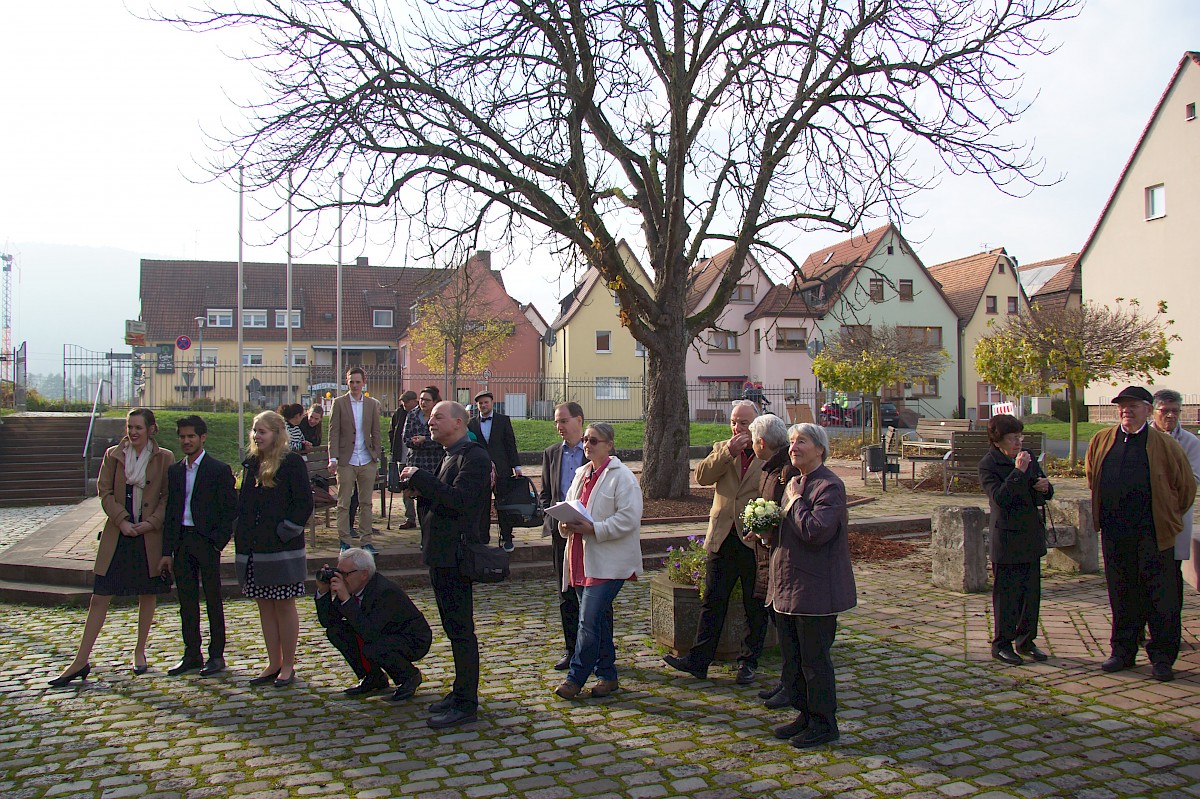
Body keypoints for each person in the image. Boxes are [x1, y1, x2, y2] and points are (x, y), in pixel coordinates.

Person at [50, 408, 174, 686]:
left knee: (147, 592)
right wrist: (122, 520)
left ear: (151, 429)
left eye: (138, 427)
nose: (133, 432)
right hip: (118, 534)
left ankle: (140, 650)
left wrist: (150, 523)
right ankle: (80, 660)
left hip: (147, 536)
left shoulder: (165, 457)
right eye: (130, 427)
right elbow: (104, 492)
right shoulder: (113, 455)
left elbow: (168, 497)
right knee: (100, 595)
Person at [1085, 385, 1196, 682]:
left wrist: (1167, 517)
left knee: (1160, 597)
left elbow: (1185, 488)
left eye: (1133, 406)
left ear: (1148, 410)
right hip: (1115, 532)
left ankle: (1161, 657)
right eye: (1122, 406)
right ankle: (1122, 652)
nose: (1126, 410)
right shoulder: (1102, 440)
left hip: (1153, 533)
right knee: (1122, 593)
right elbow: (1092, 475)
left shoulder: (1164, 444)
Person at [399, 400, 491, 729]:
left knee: (462, 631)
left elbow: (461, 502)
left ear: (458, 422)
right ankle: (460, 691)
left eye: (438, 416)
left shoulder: (475, 456)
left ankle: (467, 702)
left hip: (456, 556)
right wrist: (418, 491)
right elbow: (442, 500)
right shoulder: (449, 454)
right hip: (441, 554)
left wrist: (422, 479)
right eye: (430, 417)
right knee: (454, 631)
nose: (431, 421)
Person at [766, 422, 856, 749]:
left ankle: (824, 723)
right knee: (794, 659)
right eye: (791, 442)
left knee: (814, 662)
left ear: (820, 449)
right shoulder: (795, 481)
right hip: (789, 586)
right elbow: (790, 529)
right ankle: (803, 715)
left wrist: (793, 502)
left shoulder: (829, 486)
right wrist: (765, 531)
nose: (793, 447)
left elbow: (816, 531)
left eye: (801, 441)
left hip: (816, 590)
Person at [663, 399, 766, 683]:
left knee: (753, 603)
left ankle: (748, 661)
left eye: (743, 423)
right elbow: (702, 477)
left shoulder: (765, 453)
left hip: (752, 538)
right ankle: (699, 661)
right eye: (733, 422)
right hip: (722, 536)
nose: (737, 428)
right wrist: (727, 454)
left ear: (756, 425)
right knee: (712, 601)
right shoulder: (723, 447)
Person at [553, 422, 643, 700]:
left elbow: (629, 519)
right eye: (586, 440)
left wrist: (595, 529)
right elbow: (571, 507)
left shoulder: (623, 477)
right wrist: (565, 526)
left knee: (587, 621)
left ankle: (575, 678)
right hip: (581, 557)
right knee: (598, 621)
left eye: (594, 440)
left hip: (609, 561)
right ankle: (608, 675)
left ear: (609, 444)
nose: (587, 445)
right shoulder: (582, 474)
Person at [235, 410, 314, 688]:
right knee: (264, 606)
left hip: (280, 548)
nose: (257, 436)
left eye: (262, 431)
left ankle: (289, 664)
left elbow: (303, 503)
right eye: (255, 431)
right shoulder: (251, 463)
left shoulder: (291, 463)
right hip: (255, 549)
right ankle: (273, 661)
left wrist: (285, 531)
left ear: (276, 434)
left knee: (283, 605)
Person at [160, 415, 237, 677]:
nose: (186, 441)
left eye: (191, 436)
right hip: (182, 541)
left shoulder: (218, 469)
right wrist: (166, 551)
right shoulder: (175, 471)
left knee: (213, 598)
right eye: (182, 436)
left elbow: (230, 510)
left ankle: (217, 654)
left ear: (202, 437)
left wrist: (218, 542)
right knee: (186, 600)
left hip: (206, 541)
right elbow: (171, 511)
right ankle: (192, 652)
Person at [978, 413, 1053, 666]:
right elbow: (1000, 498)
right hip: (1007, 538)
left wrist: (1045, 485)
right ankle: (1002, 644)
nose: (1018, 442)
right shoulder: (989, 464)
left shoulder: (1028, 456)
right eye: (1012, 438)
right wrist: (1018, 472)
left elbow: (1045, 491)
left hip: (1030, 534)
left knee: (1031, 594)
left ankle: (1026, 640)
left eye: (1020, 436)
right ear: (998, 440)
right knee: (1007, 595)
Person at [315, 547, 432, 702]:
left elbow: (370, 633)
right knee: (336, 631)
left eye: (345, 574)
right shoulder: (352, 587)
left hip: (412, 639)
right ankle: (373, 677)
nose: (340, 578)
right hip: (382, 634)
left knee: (372, 647)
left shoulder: (384, 591)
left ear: (364, 574)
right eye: (338, 572)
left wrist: (347, 601)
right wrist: (323, 591)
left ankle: (409, 676)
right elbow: (328, 622)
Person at [747, 413, 800, 708]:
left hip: (779, 559)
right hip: (767, 557)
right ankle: (786, 681)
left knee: (786, 632)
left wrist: (766, 531)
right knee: (779, 626)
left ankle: (791, 685)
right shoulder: (771, 468)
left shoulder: (785, 471)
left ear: (761, 442)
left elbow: (787, 514)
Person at [541, 401, 587, 670]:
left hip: (589, 532)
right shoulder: (551, 453)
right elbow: (546, 493)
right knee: (565, 592)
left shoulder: (594, 449)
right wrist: (553, 517)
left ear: (579, 420)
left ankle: (596, 649)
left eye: (564, 420)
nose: (559, 426)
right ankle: (572, 650)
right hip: (561, 533)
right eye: (556, 421)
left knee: (591, 593)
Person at [1150, 390, 1200, 596]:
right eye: (1165, 411)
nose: (1170, 415)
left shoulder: (1190, 442)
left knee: (1171, 569)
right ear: (1153, 412)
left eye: (1175, 411)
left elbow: (1195, 478)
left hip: (1175, 513)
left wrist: (1163, 488)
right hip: (1147, 514)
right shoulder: (1143, 437)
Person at [329, 366, 383, 552]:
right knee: (344, 502)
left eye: (358, 382)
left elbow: (376, 431)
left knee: (366, 502)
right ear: (347, 382)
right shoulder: (339, 403)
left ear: (364, 382)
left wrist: (376, 456)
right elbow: (333, 432)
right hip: (346, 460)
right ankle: (344, 541)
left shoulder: (370, 404)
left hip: (367, 459)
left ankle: (366, 541)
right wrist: (333, 457)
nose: (354, 385)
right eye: (351, 382)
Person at [469, 391, 523, 552]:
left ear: (492, 403)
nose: (483, 405)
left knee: (504, 504)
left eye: (486, 402)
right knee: (481, 505)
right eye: (480, 403)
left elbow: (510, 444)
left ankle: (507, 537)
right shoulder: (471, 423)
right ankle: (482, 538)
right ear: (477, 405)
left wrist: (517, 466)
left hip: (502, 469)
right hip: (480, 471)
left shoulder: (503, 420)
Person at [401, 387, 444, 529]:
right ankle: (422, 530)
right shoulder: (412, 415)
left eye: (427, 400)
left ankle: (433, 529)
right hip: (416, 461)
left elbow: (442, 439)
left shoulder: (439, 416)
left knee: (433, 498)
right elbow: (406, 438)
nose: (423, 403)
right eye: (421, 399)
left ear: (434, 402)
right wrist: (415, 442)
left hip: (434, 462)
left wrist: (425, 440)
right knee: (419, 499)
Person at [389, 390, 420, 527]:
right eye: (403, 403)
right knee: (405, 487)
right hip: (402, 456)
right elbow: (392, 432)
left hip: (418, 457)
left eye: (407, 402)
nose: (405, 405)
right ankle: (410, 518)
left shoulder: (421, 413)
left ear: (414, 400)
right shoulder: (399, 413)